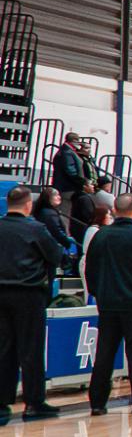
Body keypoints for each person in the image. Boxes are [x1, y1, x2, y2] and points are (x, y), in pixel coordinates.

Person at [0, 185, 63, 422]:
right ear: (29, 205)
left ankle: (1, 402)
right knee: (31, 349)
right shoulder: (36, 229)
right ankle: (34, 402)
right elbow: (55, 256)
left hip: (1, 294)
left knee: (4, 349)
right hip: (28, 294)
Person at [51, 132, 97, 244]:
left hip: (68, 187)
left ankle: (68, 236)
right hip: (67, 188)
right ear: (74, 141)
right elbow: (70, 171)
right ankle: (65, 238)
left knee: (70, 214)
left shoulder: (67, 152)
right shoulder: (66, 153)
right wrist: (83, 184)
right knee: (66, 214)